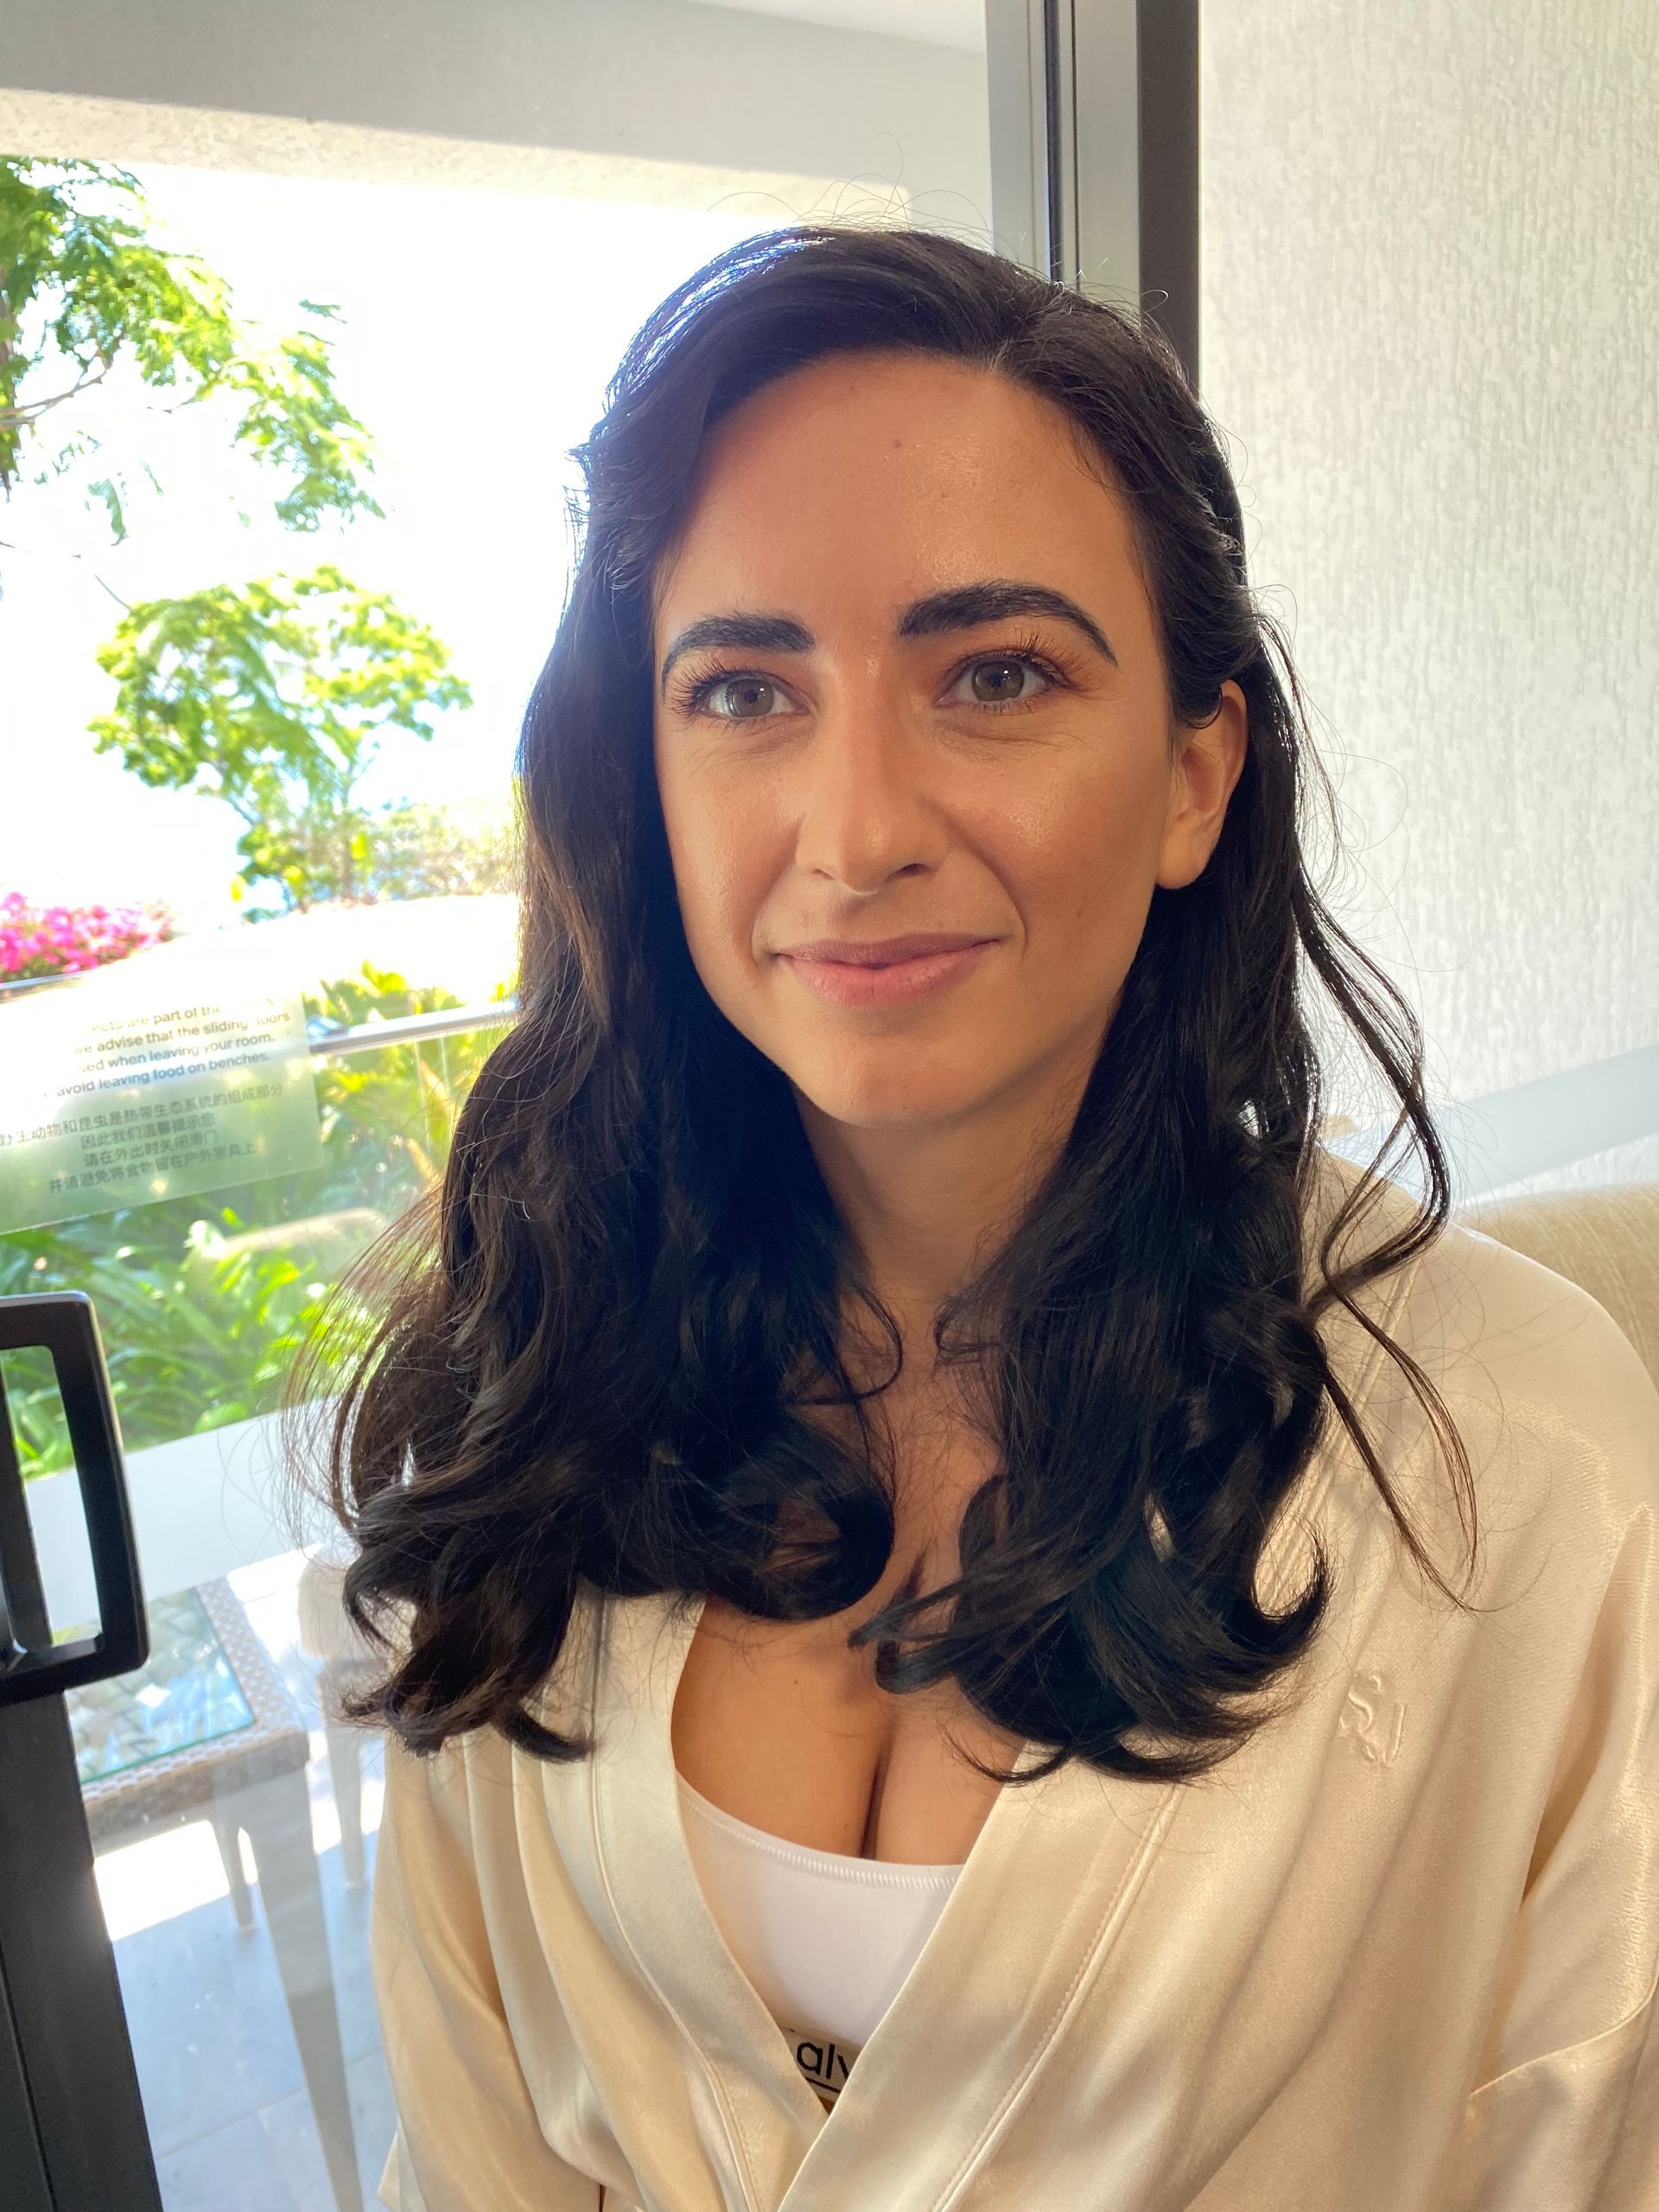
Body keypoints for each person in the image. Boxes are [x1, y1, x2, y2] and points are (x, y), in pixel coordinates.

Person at [295, 225, 1659, 2210]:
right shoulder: (539, 1378)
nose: (854, 830)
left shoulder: (1517, 1460)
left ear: (1198, 773)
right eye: (747, 689)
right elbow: (473, 2142)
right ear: (644, 775)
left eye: (996, 672)